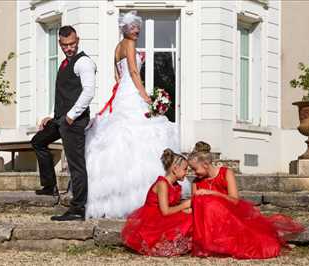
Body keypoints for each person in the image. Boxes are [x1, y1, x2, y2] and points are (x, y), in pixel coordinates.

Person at [85, 11, 180, 219]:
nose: (136, 32)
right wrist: (144, 94)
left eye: (137, 28)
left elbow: (117, 76)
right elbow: (134, 72)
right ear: (125, 30)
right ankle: (139, 193)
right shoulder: (129, 45)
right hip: (132, 91)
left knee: (120, 132)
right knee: (140, 133)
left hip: (122, 92)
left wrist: (124, 88)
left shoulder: (117, 47)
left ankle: (115, 195)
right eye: (133, 28)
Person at [188, 141, 304, 259]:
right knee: (200, 202)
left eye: (194, 169)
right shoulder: (196, 182)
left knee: (259, 243)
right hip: (206, 223)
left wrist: (211, 193)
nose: (193, 173)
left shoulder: (226, 173)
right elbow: (194, 206)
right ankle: (208, 243)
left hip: (228, 217)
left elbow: (234, 200)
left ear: (205, 165)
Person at [31, 26, 96, 221]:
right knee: (38, 141)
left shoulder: (84, 62)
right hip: (61, 118)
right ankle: (50, 186)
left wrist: (71, 115)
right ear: (60, 43)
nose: (69, 48)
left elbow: (89, 91)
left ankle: (78, 208)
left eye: (72, 43)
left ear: (78, 40)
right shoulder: (65, 63)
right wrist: (52, 115)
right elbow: (62, 94)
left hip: (73, 121)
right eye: (65, 45)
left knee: (76, 165)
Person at [121, 149, 193, 256]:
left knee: (191, 214)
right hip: (153, 219)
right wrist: (184, 206)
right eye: (185, 169)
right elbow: (165, 211)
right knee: (188, 217)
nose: (186, 173)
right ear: (175, 169)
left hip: (164, 216)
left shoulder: (176, 185)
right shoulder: (162, 184)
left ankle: (179, 244)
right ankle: (168, 246)